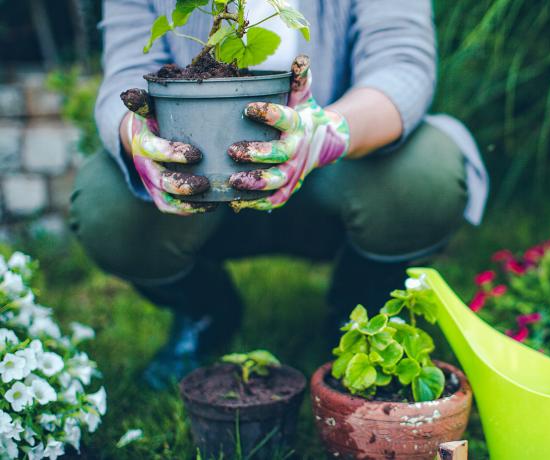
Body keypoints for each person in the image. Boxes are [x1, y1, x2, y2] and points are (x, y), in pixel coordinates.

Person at [72, 0, 488, 389]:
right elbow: (127, 72)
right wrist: (138, 137)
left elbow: (402, 64)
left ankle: (361, 298)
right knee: (106, 205)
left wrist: (324, 134)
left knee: (426, 174)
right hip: (200, 171)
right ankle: (205, 309)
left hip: (341, 169)